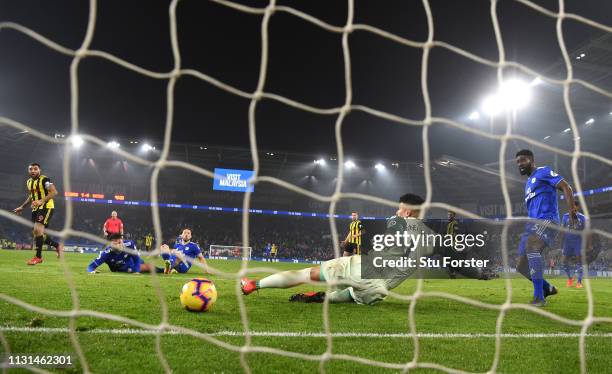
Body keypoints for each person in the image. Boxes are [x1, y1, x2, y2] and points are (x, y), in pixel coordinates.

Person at [241, 193, 493, 305]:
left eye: (399, 208)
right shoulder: (433, 238)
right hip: (381, 290)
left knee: (308, 274)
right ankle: (319, 298)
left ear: (406, 210)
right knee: (351, 295)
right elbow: (456, 261)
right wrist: (480, 274)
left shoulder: (397, 223)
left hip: (364, 268)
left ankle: (254, 285)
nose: (396, 212)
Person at [515, 149, 577, 306]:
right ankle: (547, 288)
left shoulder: (543, 172)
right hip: (532, 224)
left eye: (523, 160)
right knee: (521, 267)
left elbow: (566, 187)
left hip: (548, 220)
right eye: (518, 162)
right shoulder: (528, 184)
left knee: (531, 247)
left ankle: (539, 298)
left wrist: (572, 212)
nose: (520, 164)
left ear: (531, 160)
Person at [13, 163, 63, 265]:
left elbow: (54, 192)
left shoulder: (45, 180)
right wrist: (22, 207)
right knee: (38, 235)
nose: (33, 171)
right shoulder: (29, 182)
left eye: (35, 169)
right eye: (31, 169)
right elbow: (31, 196)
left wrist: (41, 201)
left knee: (37, 230)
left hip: (46, 206)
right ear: (28, 171)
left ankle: (38, 257)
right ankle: (57, 245)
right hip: (35, 209)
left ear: (39, 170)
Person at [87, 233, 163, 274]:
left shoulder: (130, 244)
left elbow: (136, 258)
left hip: (133, 259)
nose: (119, 244)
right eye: (116, 243)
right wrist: (92, 271)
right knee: (148, 267)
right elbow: (91, 266)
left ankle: (165, 270)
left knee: (143, 263)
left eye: (120, 242)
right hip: (122, 267)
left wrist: (136, 271)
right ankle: (164, 270)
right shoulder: (106, 253)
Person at [560, 201, 591, 289]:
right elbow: (562, 230)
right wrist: (560, 242)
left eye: (574, 207)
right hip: (567, 242)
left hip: (578, 241)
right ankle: (570, 279)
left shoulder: (583, 218)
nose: (572, 208)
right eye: (571, 206)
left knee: (579, 260)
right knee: (563, 261)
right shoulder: (565, 216)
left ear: (578, 207)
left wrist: (588, 244)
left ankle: (579, 282)